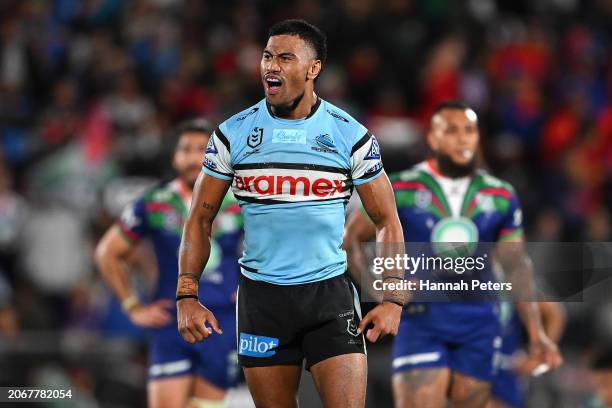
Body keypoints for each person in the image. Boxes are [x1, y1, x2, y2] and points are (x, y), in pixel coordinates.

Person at [175, 19, 407, 408]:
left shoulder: (350, 135)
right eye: (267, 56)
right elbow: (199, 216)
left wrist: (393, 297)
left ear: (313, 69)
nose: (271, 66)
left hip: (328, 297)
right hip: (261, 302)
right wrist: (186, 294)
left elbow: (386, 220)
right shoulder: (233, 134)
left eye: (285, 57)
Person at [344, 100, 562, 408]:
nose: (462, 138)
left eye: (469, 130)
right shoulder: (402, 187)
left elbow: (516, 264)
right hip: (422, 320)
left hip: (480, 322)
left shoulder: (500, 195)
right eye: (451, 130)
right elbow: (351, 240)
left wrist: (537, 334)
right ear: (432, 138)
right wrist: (380, 290)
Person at [95, 120, 242, 408]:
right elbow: (107, 252)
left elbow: (270, 243)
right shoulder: (154, 202)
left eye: (202, 149)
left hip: (223, 321)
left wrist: (250, 289)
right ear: (174, 156)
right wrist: (131, 306)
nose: (193, 158)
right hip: (171, 320)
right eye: (185, 149)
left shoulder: (239, 199)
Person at [490, 302, 566, 408]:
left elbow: (552, 312)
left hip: (506, 376)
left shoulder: (512, 291)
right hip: (471, 369)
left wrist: (541, 353)